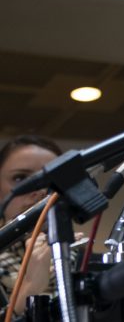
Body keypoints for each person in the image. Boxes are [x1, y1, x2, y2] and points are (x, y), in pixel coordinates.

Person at [0, 135, 66, 317]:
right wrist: (29, 288)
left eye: (51, 179)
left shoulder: (91, 266)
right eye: (20, 178)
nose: (40, 191)